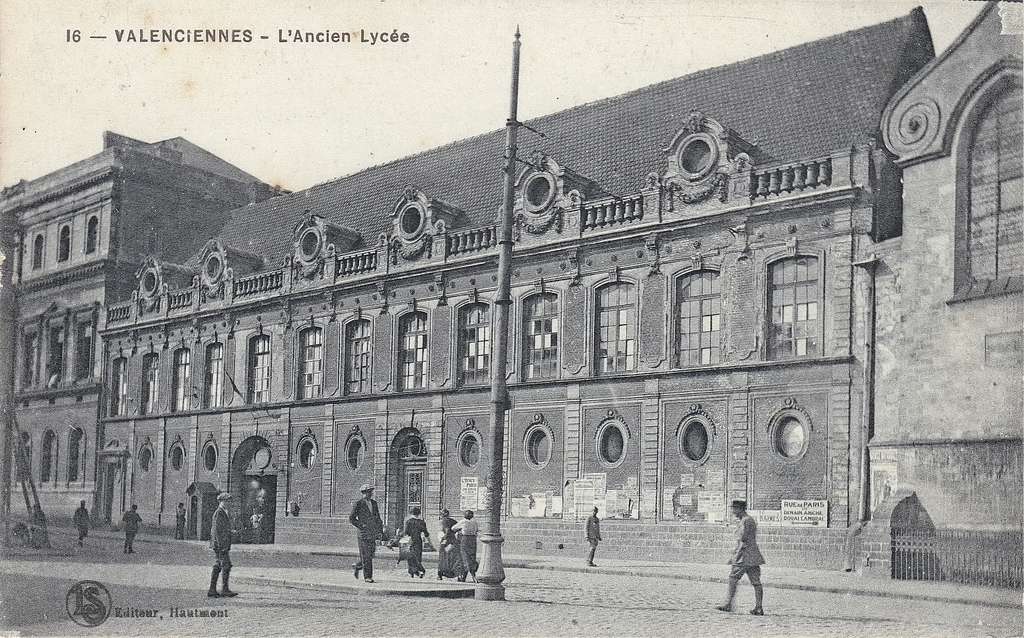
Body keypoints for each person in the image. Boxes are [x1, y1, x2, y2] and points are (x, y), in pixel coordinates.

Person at [716, 499, 765, 615]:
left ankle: (728, 605)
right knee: (756, 582)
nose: (733, 511)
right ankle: (758, 607)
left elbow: (743, 539)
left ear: (739, 509)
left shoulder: (745, 521)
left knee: (733, 579)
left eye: (734, 509)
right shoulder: (748, 520)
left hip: (744, 556)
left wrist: (735, 556)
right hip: (753, 556)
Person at [349, 484, 383, 583]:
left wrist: (380, 531)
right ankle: (368, 577)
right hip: (363, 534)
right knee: (366, 555)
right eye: (369, 492)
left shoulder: (374, 503)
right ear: (364, 493)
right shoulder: (358, 504)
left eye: (371, 491)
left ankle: (357, 565)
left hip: (372, 533)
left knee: (371, 554)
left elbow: (378, 518)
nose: (371, 493)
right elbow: (351, 518)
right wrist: (361, 526)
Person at [209, 492, 238, 597]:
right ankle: (223, 589)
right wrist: (222, 546)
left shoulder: (222, 512)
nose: (230, 503)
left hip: (220, 544)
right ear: (222, 501)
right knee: (225, 565)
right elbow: (217, 530)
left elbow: (222, 529)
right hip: (220, 545)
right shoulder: (219, 513)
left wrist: (230, 531)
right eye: (228, 501)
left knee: (220, 565)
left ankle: (213, 589)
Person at [402, 506, 430, 578]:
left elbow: (406, 532)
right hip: (418, 541)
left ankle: (413, 571)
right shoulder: (421, 522)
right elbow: (426, 533)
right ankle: (419, 571)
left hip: (410, 541)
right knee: (418, 556)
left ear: (411, 513)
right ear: (419, 513)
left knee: (410, 556)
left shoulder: (408, 521)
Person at [452, 509, 479, 583]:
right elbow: (476, 530)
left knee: (464, 557)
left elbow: (453, 528)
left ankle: (472, 576)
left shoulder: (463, 521)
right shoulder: (475, 522)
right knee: (471, 557)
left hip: (465, 540)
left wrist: (460, 530)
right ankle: (464, 576)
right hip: (473, 540)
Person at [437, 509, 460, 580]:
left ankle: (440, 574)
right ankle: (453, 573)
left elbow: (447, 531)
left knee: (442, 557)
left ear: (442, 515)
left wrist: (443, 538)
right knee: (452, 557)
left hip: (446, 541)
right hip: (453, 540)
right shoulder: (453, 520)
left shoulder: (444, 521)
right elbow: (458, 529)